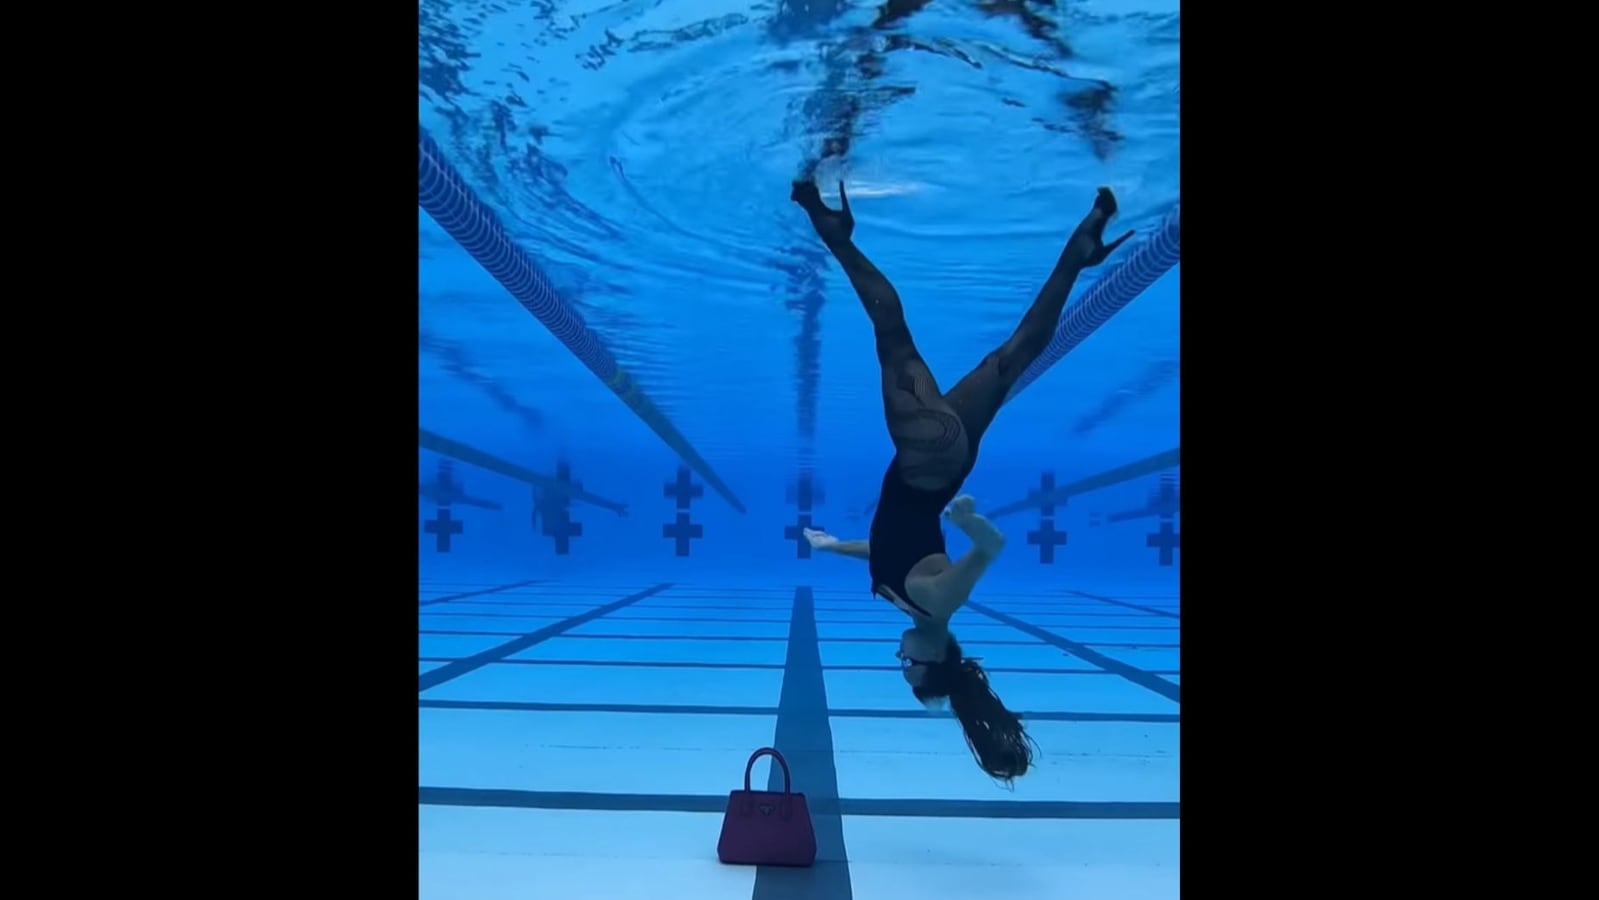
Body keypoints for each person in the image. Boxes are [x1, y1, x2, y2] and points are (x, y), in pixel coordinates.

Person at [791, 178, 1132, 783]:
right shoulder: (939, 602)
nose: (900, 659)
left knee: (1012, 357)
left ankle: (1084, 243)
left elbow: (886, 548)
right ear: (935, 660)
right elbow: (990, 549)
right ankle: (835, 235)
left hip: (945, 462)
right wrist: (971, 521)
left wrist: (831, 546)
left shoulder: (911, 597)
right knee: (891, 333)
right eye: (909, 668)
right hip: (928, 461)